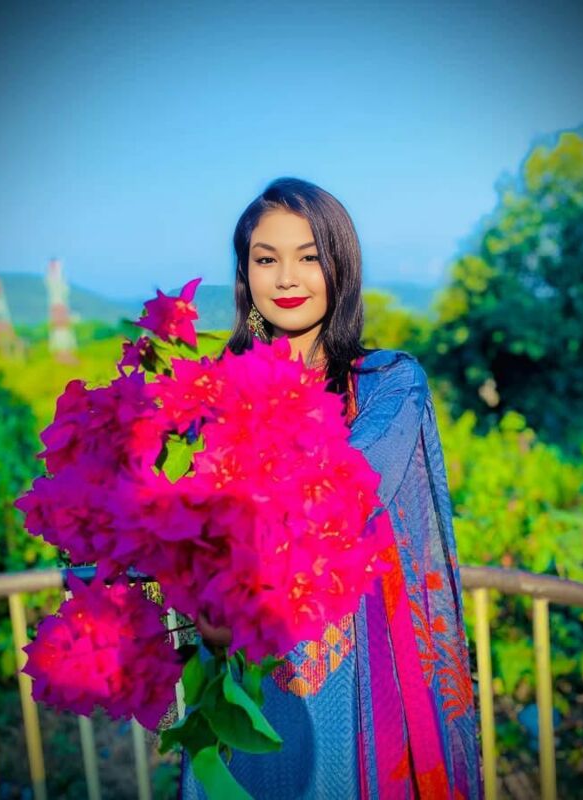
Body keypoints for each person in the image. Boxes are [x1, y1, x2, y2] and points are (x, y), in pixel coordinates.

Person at [181, 178, 483, 799]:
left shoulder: (387, 384)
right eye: (266, 259)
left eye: (309, 256)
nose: (286, 278)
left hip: (354, 670)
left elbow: (352, 484)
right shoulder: (212, 393)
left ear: (340, 265)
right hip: (240, 653)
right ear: (245, 275)